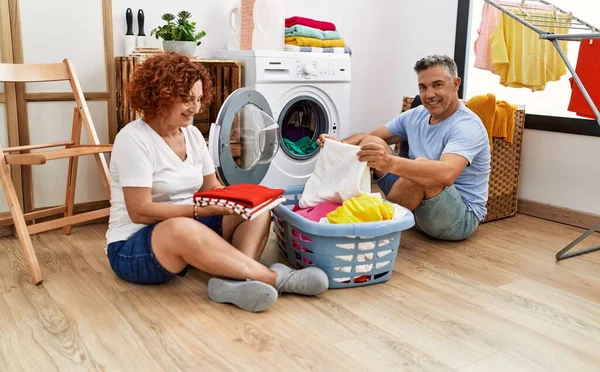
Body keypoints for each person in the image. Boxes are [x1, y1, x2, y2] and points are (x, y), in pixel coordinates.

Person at [106, 52, 328, 313]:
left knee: (257, 210)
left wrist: (241, 201)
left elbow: (210, 187)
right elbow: (139, 210)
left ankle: (235, 282)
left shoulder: (191, 135)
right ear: (160, 95)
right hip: (134, 246)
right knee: (180, 227)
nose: (196, 108)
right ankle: (273, 278)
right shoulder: (133, 139)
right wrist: (201, 210)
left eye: (199, 99)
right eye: (187, 99)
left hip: (189, 224)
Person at [317, 55, 490, 241]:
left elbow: (447, 173)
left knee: (422, 170)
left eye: (437, 85)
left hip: (458, 218)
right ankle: (375, 212)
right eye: (423, 87)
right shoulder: (417, 115)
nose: (429, 94)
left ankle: (371, 225)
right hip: (418, 205)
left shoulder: (467, 126)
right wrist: (337, 144)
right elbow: (369, 137)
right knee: (371, 143)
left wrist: (390, 162)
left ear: (456, 84)